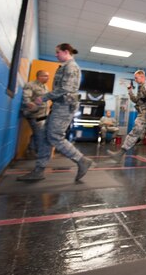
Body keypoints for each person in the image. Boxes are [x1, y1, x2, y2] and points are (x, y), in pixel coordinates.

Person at [17, 44, 93, 182]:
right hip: (58, 105)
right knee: (45, 137)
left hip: (64, 107)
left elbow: (65, 89)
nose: (56, 55)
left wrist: (43, 98)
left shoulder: (71, 67)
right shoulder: (64, 66)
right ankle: (39, 170)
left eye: (58, 52)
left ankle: (82, 160)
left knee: (55, 136)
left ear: (66, 52)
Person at [109, 70, 146, 162]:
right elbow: (136, 100)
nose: (135, 80)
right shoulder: (141, 87)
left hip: (145, 114)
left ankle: (120, 154)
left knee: (135, 132)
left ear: (142, 77)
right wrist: (130, 90)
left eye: (136, 78)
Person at [21, 70, 49, 158]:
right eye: (45, 76)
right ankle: (40, 154)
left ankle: (30, 151)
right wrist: (32, 106)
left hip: (42, 115)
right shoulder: (31, 85)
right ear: (39, 76)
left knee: (39, 132)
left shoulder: (45, 87)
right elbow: (26, 99)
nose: (48, 78)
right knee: (40, 134)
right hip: (34, 114)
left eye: (48, 76)